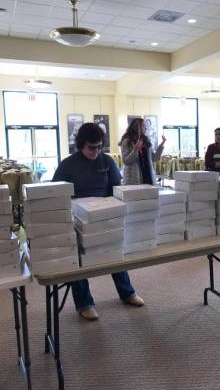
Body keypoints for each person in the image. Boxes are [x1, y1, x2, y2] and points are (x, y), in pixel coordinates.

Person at [53, 123, 144, 321]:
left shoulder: (108, 161)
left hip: (105, 215)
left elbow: (116, 191)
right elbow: (56, 195)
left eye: (99, 146)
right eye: (91, 147)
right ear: (80, 145)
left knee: (114, 253)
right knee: (78, 260)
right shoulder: (67, 165)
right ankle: (84, 303)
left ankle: (127, 292)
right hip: (76, 219)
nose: (95, 151)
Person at [119, 117, 166, 184]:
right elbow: (126, 161)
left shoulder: (146, 140)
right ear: (137, 127)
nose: (146, 128)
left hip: (148, 178)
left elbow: (154, 158)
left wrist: (161, 145)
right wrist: (135, 150)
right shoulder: (127, 141)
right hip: (133, 180)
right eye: (143, 126)